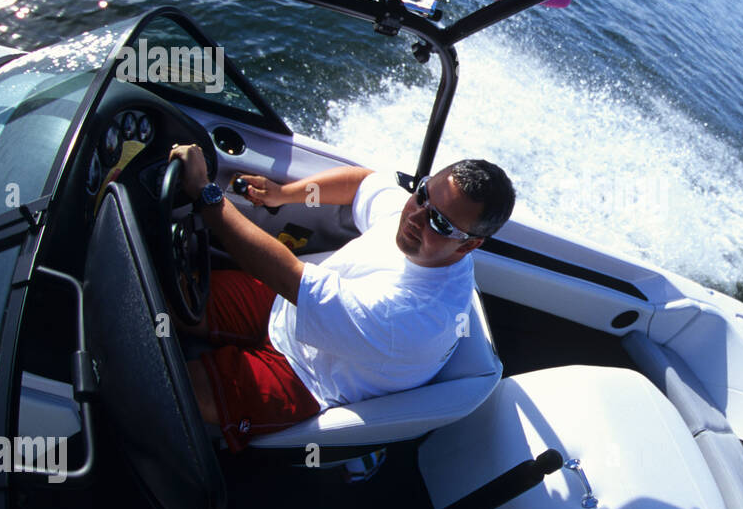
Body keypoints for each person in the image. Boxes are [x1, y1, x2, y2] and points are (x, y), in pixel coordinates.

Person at [167, 144, 514, 452]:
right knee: (165, 301)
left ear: (469, 245)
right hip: (284, 306)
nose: (415, 217)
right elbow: (362, 182)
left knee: (166, 387)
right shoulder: (415, 215)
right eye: (423, 194)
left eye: (439, 222)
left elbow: (289, 277)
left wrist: (206, 195)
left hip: (304, 378)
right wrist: (283, 194)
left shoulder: (416, 317)